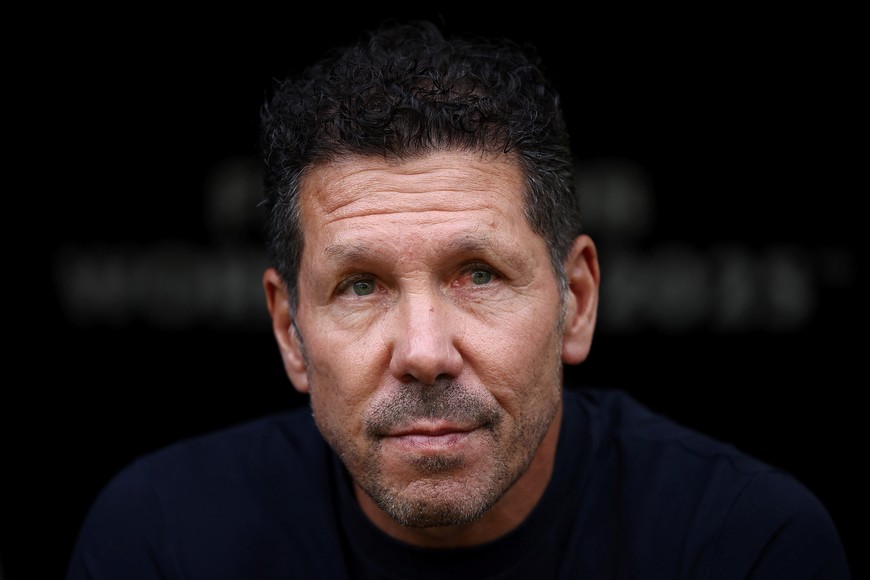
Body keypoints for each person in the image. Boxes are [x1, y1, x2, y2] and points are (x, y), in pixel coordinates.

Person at [66, 19, 850, 579]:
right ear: (290, 332)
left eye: (478, 274)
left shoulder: (742, 544)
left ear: (575, 302)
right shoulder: (164, 539)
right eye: (361, 285)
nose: (425, 352)